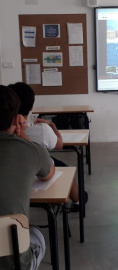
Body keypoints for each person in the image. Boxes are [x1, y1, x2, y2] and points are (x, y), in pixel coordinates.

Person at [9, 82, 87, 213]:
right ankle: (78, 201)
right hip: (37, 176)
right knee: (66, 170)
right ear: (31, 107)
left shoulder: (6, 133)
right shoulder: (42, 131)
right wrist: (52, 125)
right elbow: (59, 145)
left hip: (13, 185)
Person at [0, 85, 55, 269]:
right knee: (35, 234)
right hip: (13, 261)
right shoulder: (31, 150)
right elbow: (48, 174)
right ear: (17, 119)